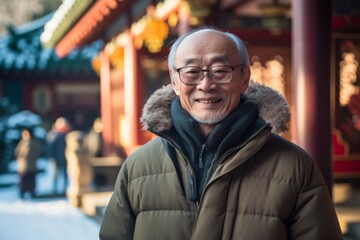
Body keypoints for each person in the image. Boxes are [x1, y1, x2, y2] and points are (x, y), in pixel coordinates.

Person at [99, 27, 343, 239]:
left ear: (244, 77)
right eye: (191, 71)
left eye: (221, 70)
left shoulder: (294, 167)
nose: (206, 85)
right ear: (174, 81)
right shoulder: (138, 168)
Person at [14, 128, 42, 199]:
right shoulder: (22, 142)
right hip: (23, 165)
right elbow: (17, 152)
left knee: (30, 180)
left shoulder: (32, 143)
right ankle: (23, 193)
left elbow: (37, 152)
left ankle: (31, 192)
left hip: (31, 165)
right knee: (23, 181)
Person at [47, 117, 71, 195]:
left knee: (65, 174)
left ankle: (64, 189)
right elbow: (50, 147)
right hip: (56, 158)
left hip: (64, 158)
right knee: (55, 175)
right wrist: (51, 157)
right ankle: (55, 189)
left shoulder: (67, 135)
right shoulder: (53, 134)